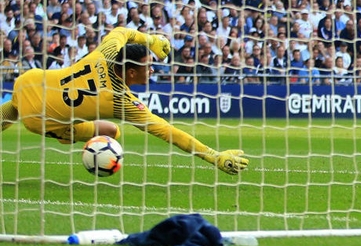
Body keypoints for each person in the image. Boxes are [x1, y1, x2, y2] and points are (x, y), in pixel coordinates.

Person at [0, 27, 249, 175]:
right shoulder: (121, 100)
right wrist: (213, 156)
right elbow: (167, 131)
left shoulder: (106, 51)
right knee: (111, 131)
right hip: (38, 120)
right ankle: (68, 135)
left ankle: (9, 116)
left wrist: (151, 40)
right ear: (130, 73)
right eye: (148, 67)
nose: (151, 71)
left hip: (30, 81)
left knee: (15, 109)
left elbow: (123, 32)